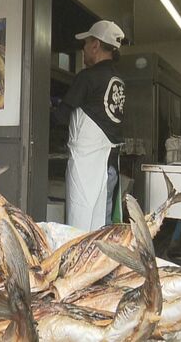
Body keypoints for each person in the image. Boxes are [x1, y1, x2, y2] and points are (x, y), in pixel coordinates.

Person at [53, 20, 127, 231]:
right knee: (100, 228)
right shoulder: (118, 80)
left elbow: (60, 117)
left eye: (85, 44)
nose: (83, 49)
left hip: (88, 165)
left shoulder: (87, 78)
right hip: (109, 166)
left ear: (95, 45)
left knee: (80, 227)